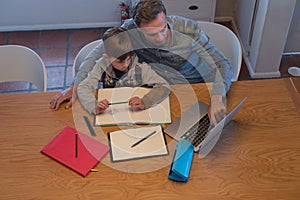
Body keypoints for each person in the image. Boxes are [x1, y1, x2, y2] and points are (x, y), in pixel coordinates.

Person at [50, 0, 233, 125]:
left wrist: (218, 96)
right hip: (156, 90)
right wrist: (76, 84)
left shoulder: (188, 30)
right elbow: (97, 53)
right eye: (152, 34)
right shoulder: (130, 29)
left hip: (196, 86)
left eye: (163, 29)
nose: (161, 37)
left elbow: (223, 64)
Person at [77, 27, 170, 115]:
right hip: (110, 112)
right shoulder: (101, 66)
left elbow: (164, 86)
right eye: (119, 62)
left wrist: (145, 102)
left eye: (128, 59)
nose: (125, 65)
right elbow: (83, 87)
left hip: (137, 112)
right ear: (107, 58)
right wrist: (93, 105)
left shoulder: (140, 67)